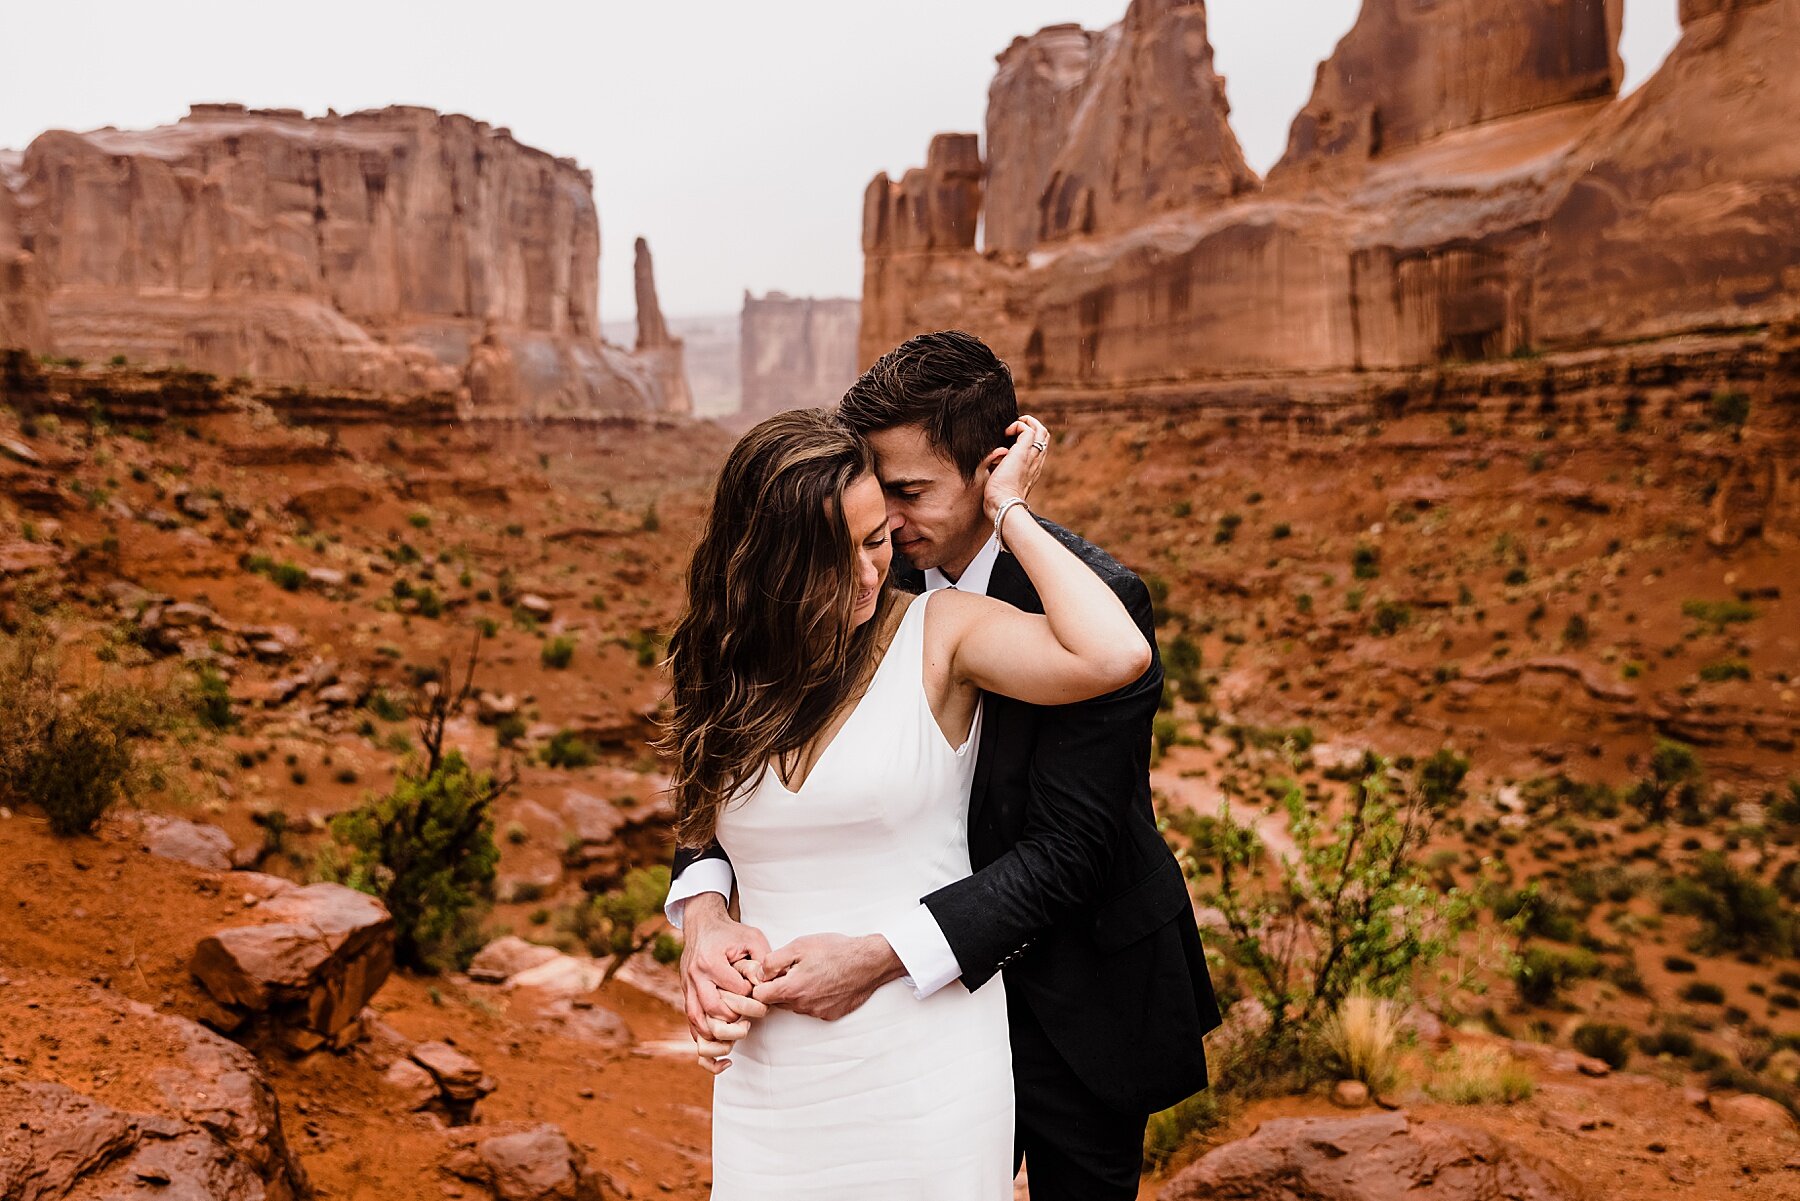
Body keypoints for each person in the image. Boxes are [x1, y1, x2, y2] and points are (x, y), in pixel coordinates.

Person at [668, 332, 1220, 1199]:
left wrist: (1011, 512)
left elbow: (1069, 849)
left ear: (988, 466)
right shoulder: (838, 593)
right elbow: (731, 787)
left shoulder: (1086, 597)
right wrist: (703, 914)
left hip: (1073, 991)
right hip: (872, 1017)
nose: (886, 521)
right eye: (874, 491)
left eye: (909, 491)